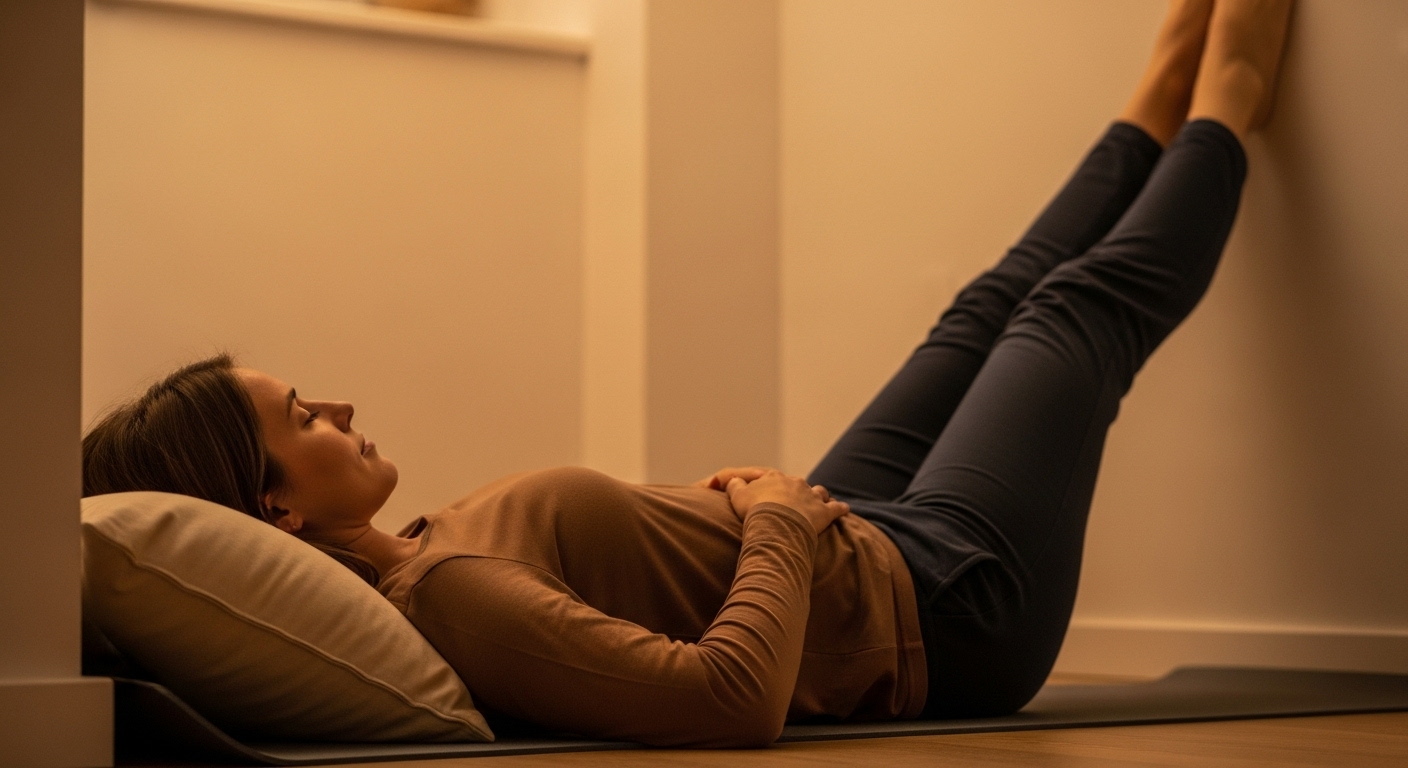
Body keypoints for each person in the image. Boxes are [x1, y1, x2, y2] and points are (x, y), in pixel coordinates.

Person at [81, 0, 1294, 749]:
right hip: (945, 609)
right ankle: (1225, 96)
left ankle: (1151, 103)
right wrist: (771, 512)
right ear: (276, 508)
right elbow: (727, 703)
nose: (338, 408)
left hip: (860, 550)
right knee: (1070, 315)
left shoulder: (428, 553)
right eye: (302, 417)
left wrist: (779, 517)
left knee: (979, 313)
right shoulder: (449, 596)